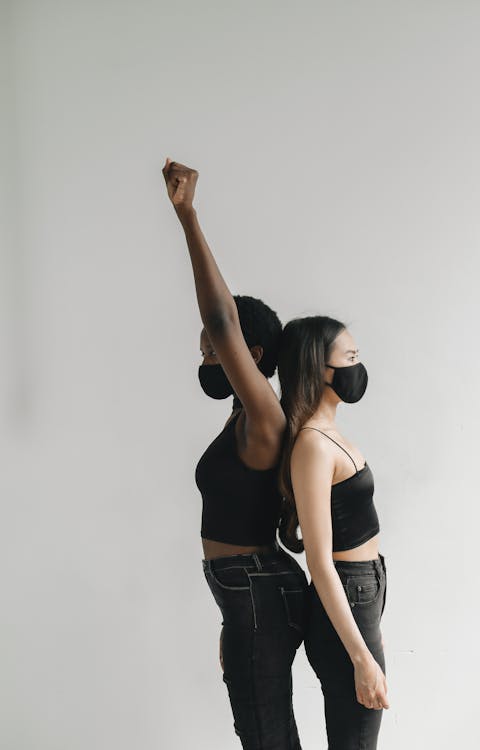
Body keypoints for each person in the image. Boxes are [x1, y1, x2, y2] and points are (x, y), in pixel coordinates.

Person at [162, 157, 308, 750]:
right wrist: (232, 618)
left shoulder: (266, 415)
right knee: (262, 730)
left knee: (265, 735)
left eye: (212, 349)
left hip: (257, 590)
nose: (205, 358)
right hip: (246, 594)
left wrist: (187, 215)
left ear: (245, 352)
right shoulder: (242, 417)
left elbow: (220, 317)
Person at [277, 315, 389, 750]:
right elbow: (320, 563)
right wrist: (361, 657)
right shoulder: (311, 445)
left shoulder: (328, 433)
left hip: (365, 589)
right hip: (345, 589)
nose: (357, 368)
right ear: (317, 369)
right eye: (350, 358)